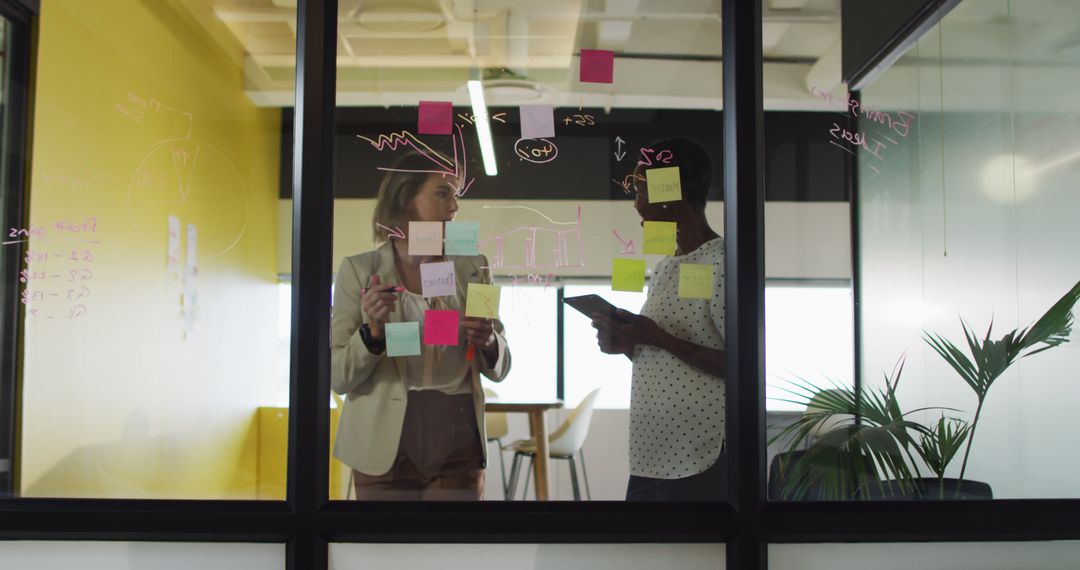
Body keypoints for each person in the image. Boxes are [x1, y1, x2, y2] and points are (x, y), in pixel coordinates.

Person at [330, 151, 511, 501]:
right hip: (381, 439)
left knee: (452, 553)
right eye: (443, 193)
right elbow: (338, 377)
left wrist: (490, 343)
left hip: (457, 432)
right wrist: (373, 335)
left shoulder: (475, 266)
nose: (455, 206)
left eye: (456, 194)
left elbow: (502, 365)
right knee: (385, 554)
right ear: (406, 198)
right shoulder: (357, 270)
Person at [590, 137, 727, 501]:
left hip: (698, 455)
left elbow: (741, 365)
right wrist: (628, 343)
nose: (636, 204)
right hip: (651, 452)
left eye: (642, 189)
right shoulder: (667, 266)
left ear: (671, 191)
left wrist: (658, 338)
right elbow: (665, 352)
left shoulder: (723, 261)